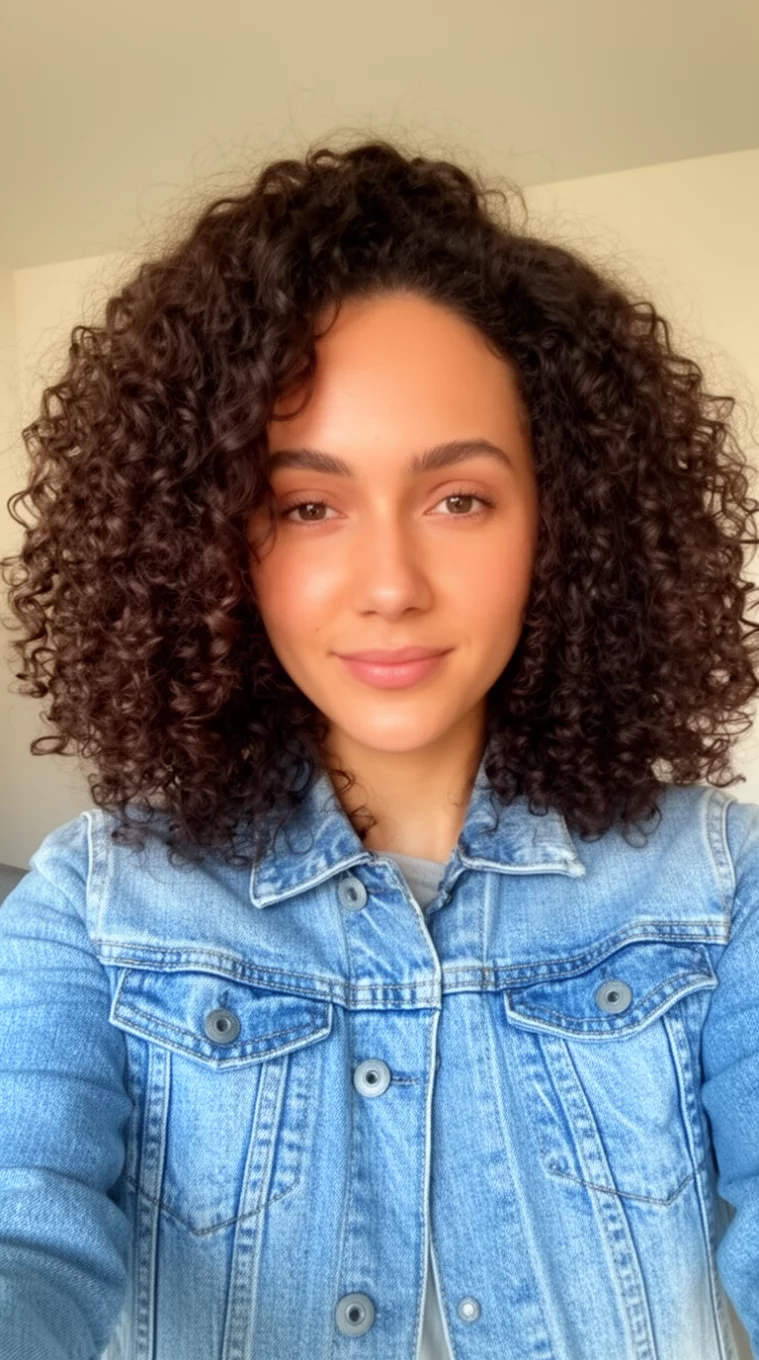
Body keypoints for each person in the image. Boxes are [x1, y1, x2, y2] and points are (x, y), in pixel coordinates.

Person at [0, 137, 758, 1360]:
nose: (390, 585)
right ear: (213, 541)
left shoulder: (716, 886)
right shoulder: (93, 906)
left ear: (563, 526)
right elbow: (19, 1231)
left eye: (460, 498)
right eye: (307, 505)